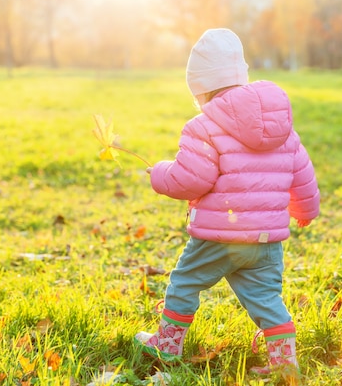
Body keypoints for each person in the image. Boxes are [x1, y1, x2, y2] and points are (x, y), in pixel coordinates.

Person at [134, 28, 320, 375]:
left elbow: (193, 178)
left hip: (219, 236)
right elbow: (303, 173)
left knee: (185, 282)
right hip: (267, 240)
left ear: (201, 89)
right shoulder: (282, 128)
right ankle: (285, 365)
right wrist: (306, 210)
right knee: (267, 299)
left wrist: (160, 174)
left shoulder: (203, 126)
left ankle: (167, 344)